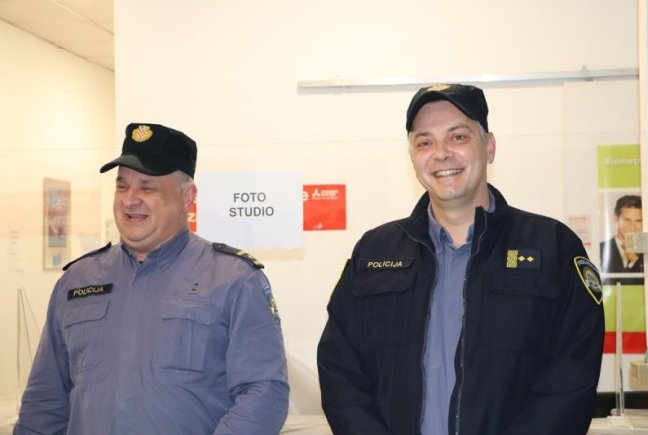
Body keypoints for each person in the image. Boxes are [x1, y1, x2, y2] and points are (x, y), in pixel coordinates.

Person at [317, 84, 605, 435]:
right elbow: (340, 370)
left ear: (490, 146)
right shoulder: (375, 251)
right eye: (425, 142)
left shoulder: (553, 247)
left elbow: (571, 377)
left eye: (458, 137)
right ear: (412, 158)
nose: (441, 154)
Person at [14, 123, 290, 435]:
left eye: (147, 188)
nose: (130, 200)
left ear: (187, 197)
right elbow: (45, 401)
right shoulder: (77, 281)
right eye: (122, 187)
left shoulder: (234, 280)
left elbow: (263, 393)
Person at [600, 195, 644, 273]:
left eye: (638, 221)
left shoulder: (647, 252)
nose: (632, 227)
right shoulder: (601, 249)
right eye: (627, 220)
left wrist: (634, 259)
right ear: (616, 218)